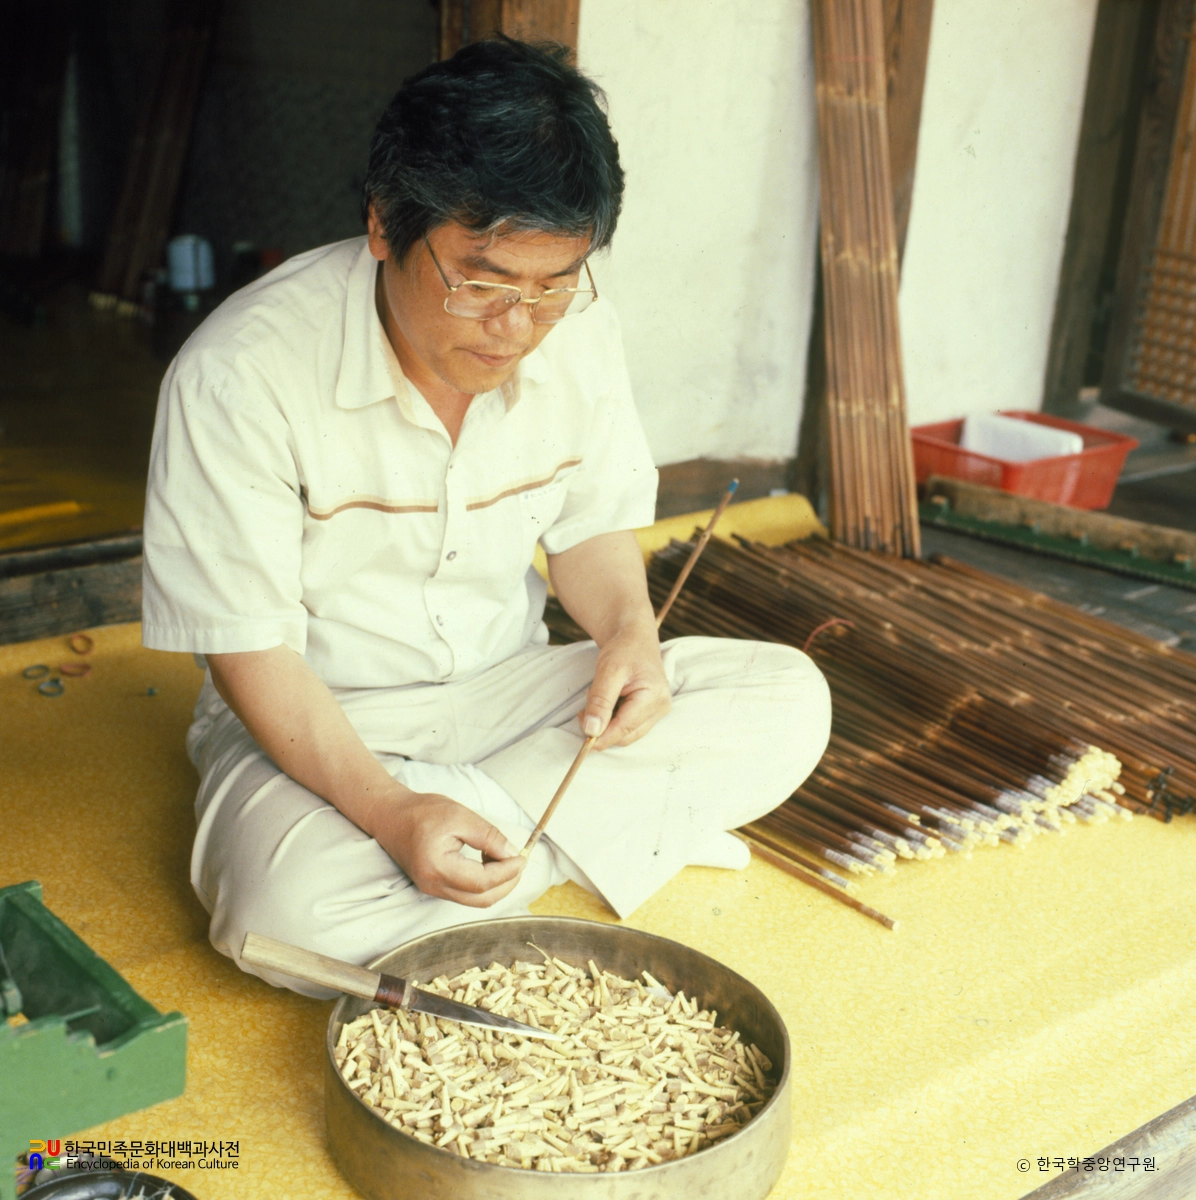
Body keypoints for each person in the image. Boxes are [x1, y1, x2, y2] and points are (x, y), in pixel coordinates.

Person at [142, 37, 830, 997]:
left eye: (553, 286)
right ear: (384, 225)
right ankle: (589, 839)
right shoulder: (238, 374)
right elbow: (249, 651)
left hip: (513, 692)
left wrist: (630, 633)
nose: (518, 327)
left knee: (789, 700)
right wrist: (390, 812)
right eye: (482, 281)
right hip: (324, 720)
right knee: (279, 913)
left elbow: (589, 526)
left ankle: (488, 856)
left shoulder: (577, 328)